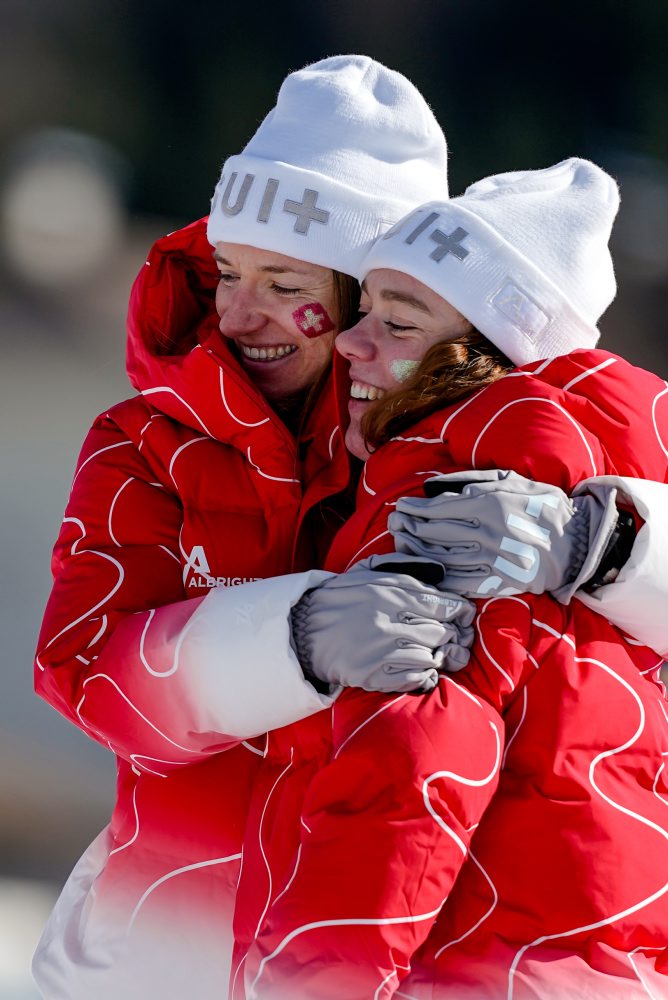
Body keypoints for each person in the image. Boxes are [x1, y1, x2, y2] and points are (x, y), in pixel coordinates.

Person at [32, 55, 462, 1000]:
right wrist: (293, 641)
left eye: (282, 279)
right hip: (165, 945)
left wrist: (613, 546)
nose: (239, 311)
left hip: (408, 957)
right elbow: (82, 670)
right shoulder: (143, 442)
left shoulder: (479, 439)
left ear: (369, 292)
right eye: (229, 271)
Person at [231, 160, 668, 999]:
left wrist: (316, 978)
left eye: (399, 324)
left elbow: (413, 769)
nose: (352, 344)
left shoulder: (457, 493)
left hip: (471, 963)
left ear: (481, 357)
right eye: (362, 311)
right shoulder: (604, 482)